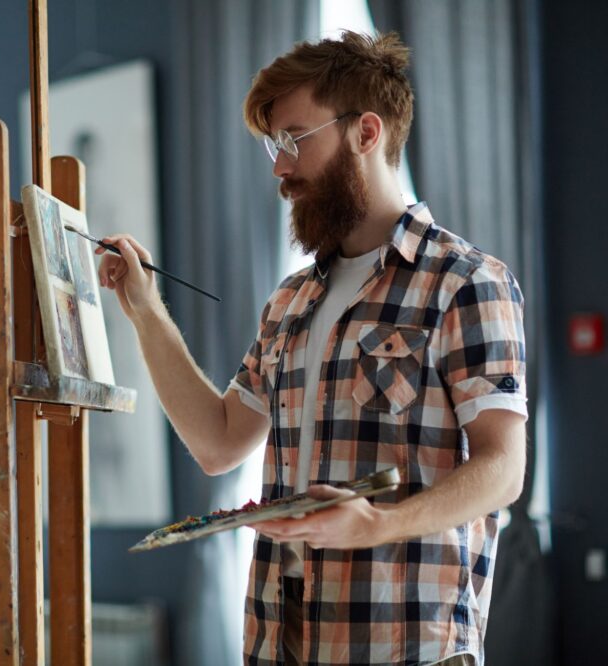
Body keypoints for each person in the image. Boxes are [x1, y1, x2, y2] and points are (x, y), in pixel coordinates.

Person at [95, 31, 527, 666]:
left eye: (294, 140)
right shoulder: (289, 302)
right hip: (280, 642)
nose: (279, 167)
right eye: (274, 145)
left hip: (405, 649)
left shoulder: (466, 282)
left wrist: (378, 524)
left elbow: (504, 470)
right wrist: (142, 307)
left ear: (366, 132)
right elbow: (218, 444)